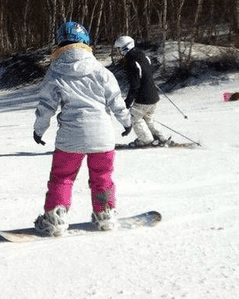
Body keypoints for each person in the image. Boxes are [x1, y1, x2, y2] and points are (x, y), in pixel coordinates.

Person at [32, 21, 133, 236]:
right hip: (102, 136)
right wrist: (126, 122)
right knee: (102, 176)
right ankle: (105, 214)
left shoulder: (55, 72)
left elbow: (46, 106)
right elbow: (116, 100)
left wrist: (39, 130)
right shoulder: (101, 70)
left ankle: (55, 218)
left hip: (70, 137)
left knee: (62, 177)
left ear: (60, 43)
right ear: (86, 41)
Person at [113, 35, 172, 147]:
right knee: (149, 119)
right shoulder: (144, 56)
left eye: (118, 49)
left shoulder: (131, 62)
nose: (117, 52)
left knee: (135, 118)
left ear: (124, 48)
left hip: (143, 99)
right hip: (153, 97)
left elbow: (135, 86)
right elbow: (147, 75)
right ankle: (161, 138)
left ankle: (145, 140)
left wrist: (127, 102)